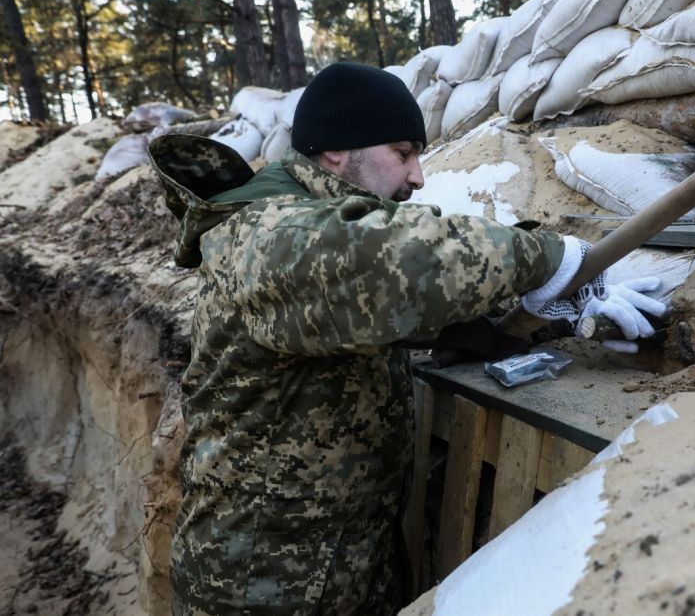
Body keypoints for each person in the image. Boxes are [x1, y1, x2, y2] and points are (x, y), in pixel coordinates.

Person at [149, 61, 664, 615]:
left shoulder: (311, 239)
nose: (418, 177)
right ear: (335, 151)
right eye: (402, 152)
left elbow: (392, 314)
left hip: (336, 570)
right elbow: (392, 262)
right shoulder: (266, 234)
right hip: (258, 589)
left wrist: (541, 311)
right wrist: (553, 259)